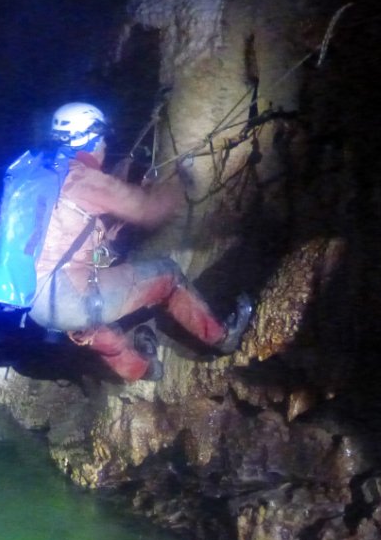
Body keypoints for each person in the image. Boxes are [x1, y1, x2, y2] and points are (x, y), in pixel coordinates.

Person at [27, 101, 253, 381]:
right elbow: (151, 211)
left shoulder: (41, 176)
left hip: (33, 304)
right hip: (67, 298)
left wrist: (106, 240)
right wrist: (179, 183)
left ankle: (144, 369)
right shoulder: (83, 178)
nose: (105, 148)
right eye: (103, 141)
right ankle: (221, 336)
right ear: (90, 139)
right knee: (167, 274)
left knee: (88, 318)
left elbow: (68, 239)